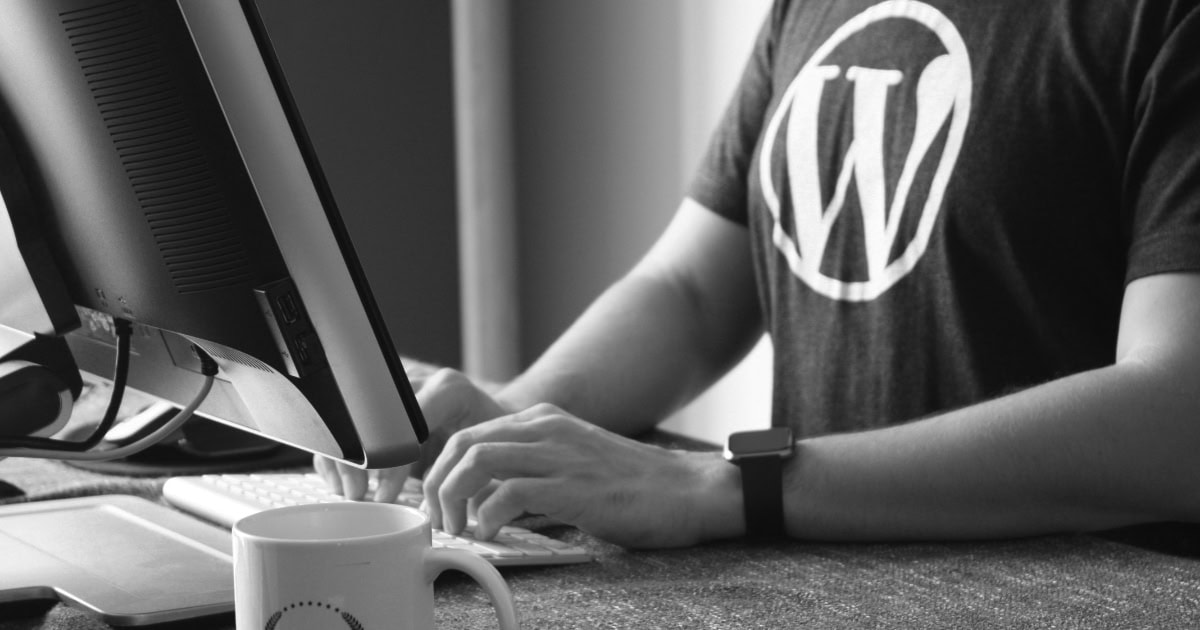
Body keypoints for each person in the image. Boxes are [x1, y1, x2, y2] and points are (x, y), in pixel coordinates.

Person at [317, 0, 1200, 548]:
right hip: (827, 594)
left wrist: (729, 485)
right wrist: (513, 421)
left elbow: (1179, 419)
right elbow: (695, 295)